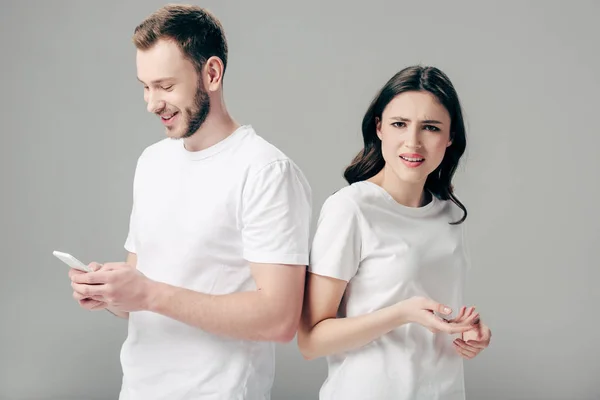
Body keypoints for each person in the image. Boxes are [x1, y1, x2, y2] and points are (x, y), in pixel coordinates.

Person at [68, 4, 312, 400]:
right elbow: (142, 294)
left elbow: (280, 319)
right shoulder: (152, 162)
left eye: (165, 86)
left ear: (211, 74)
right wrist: (111, 293)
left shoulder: (266, 170)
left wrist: (147, 293)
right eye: (144, 87)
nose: (151, 103)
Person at [298, 65, 492, 400]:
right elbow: (311, 341)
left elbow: (435, 316)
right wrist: (402, 313)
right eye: (399, 124)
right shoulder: (352, 209)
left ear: (450, 138)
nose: (413, 141)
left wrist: (470, 332)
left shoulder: (449, 214)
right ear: (379, 128)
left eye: (430, 127)